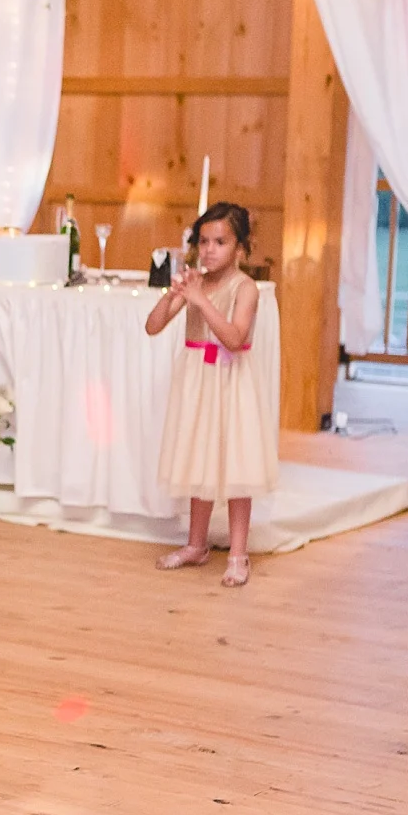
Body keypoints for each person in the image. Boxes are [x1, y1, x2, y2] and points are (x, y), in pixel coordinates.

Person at [145, 202, 276, 587]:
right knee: (198, 456)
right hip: (198, 381)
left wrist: (200, 299)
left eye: (220, 242)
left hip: (231, 380)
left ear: (240, 248)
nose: (209, 250)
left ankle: (238, 553)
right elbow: (153, 326)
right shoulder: (195, 283)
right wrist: (174, 294)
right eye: (203, 242)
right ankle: (196, 544)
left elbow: (234, 338)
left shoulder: (245, 288)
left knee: (236, 463)